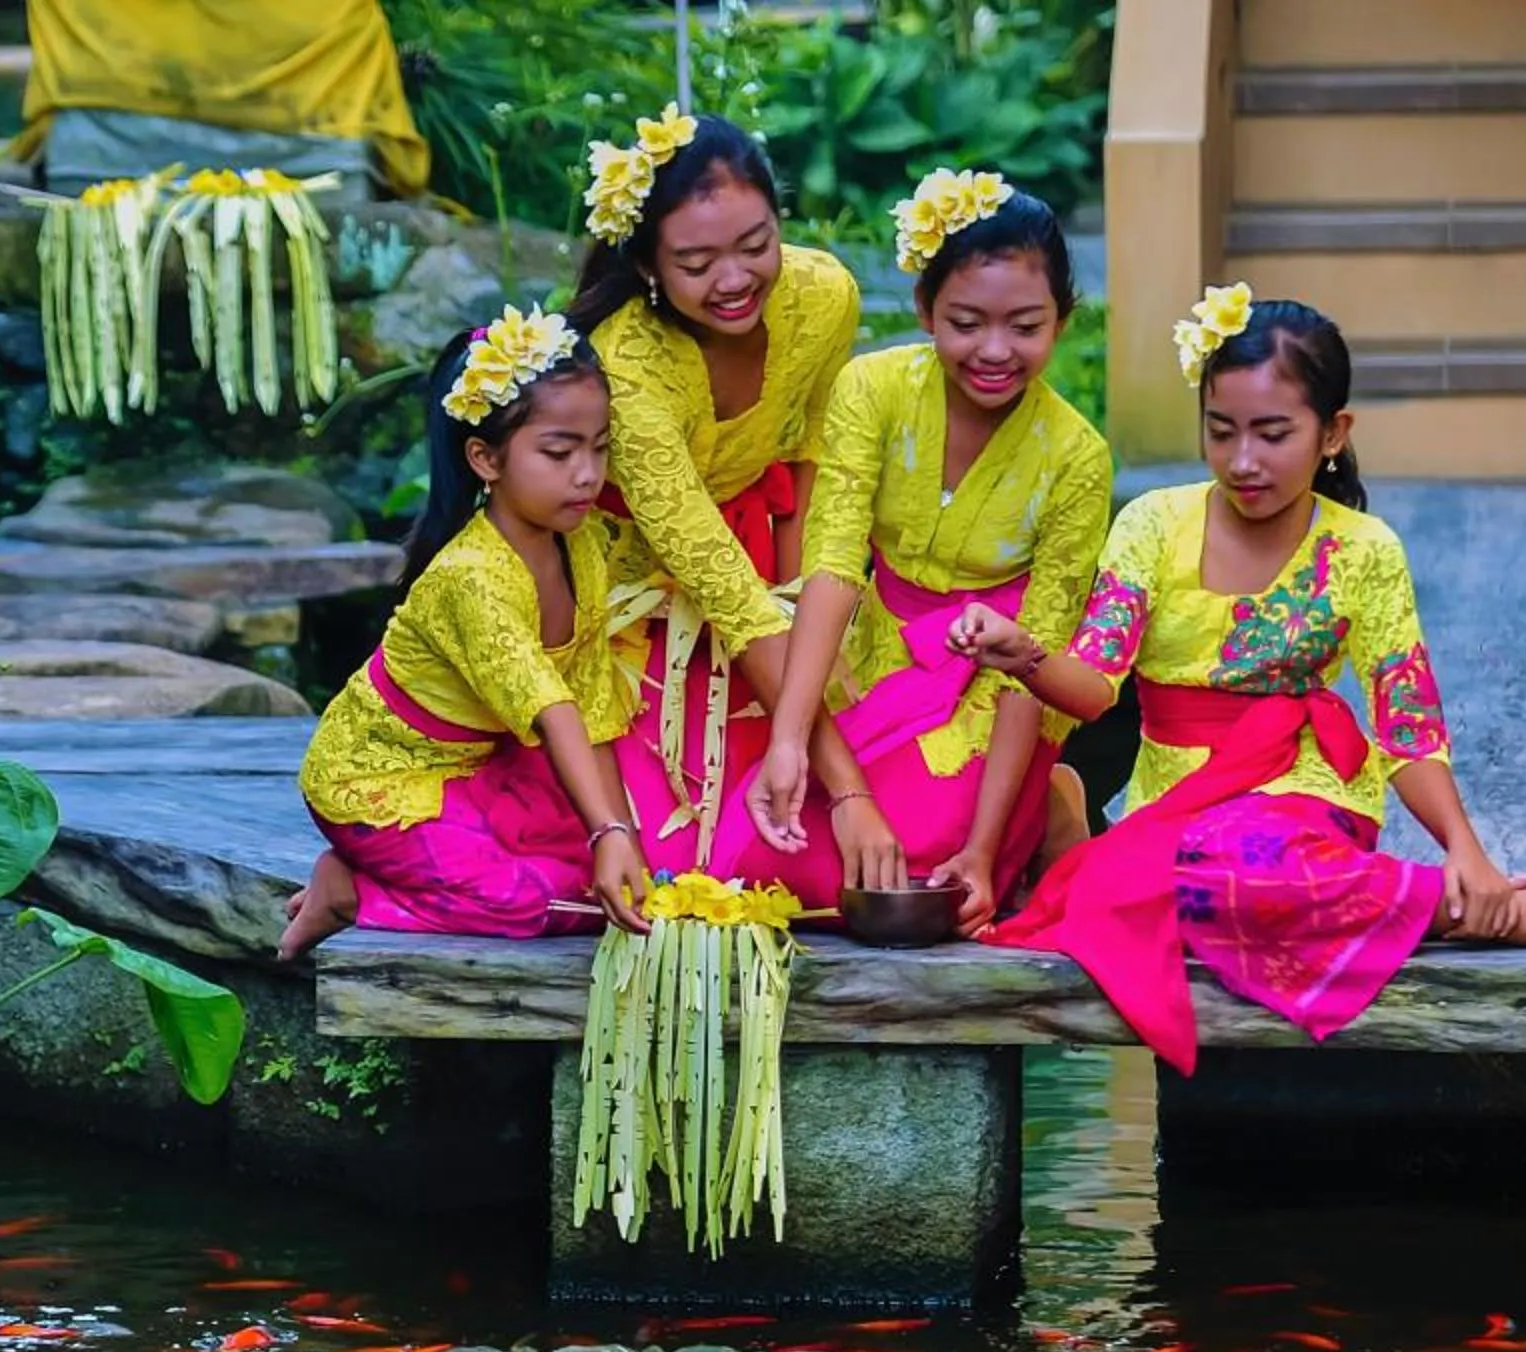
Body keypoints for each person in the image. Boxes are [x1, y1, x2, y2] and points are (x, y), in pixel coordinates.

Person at [952, 289, 1526, 1070]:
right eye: (1221, 431)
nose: (1243, 461)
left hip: (1303, 788)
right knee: (1195, 881)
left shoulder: (1364, 550)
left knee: (1250, 874)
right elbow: (1098, 687)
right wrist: (1024, 652)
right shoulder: (1152, 525)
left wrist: (1465, 850)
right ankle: (1468, 912)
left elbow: (1407, 725)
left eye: (1273, 434)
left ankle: (1481, 900)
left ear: (1333, 433)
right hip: (1176, 800)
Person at [743, 172, 1114, 933]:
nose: (995, 351)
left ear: (1063, 321)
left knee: (925, 861)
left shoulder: (1078, 455)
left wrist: (981, 852)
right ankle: (1043, 809)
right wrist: (789, 737)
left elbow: (1033, 659)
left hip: (998, 680)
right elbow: (836, 567)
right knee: (758, 848)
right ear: (924, 310)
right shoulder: (872, 390)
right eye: (966, 322)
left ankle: (1049, 799)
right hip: (875, 649)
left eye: (1026, 326)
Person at [566, 104, 875, 893]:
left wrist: (815, 623)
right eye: (697, 263)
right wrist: (842, 785)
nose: (735, 279)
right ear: (646, 267)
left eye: (756, 244)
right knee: (691, 861)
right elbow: (726, 594)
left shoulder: (825, 295)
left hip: (775, 570)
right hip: (634, 606)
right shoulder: (627, 366)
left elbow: (815, 458)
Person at [277, 309, 651, 958]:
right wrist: (608, 832)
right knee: (538, 901)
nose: (588, 474)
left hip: (481, 769)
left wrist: (623, 835)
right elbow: (553, 709)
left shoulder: (583, 546)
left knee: (631, 866)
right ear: (485, 458)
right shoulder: (470, 578)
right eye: (560, 452)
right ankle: (346, 891)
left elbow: (591, 707)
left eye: (601, 446)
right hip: (382, 783)